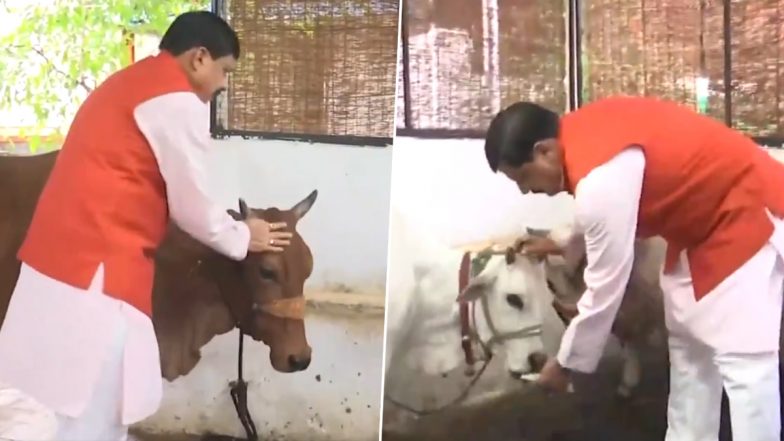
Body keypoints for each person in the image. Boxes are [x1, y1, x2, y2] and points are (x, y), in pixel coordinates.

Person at [0, 11, 292, 441]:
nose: (224, 84)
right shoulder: (177, 101)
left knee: (32, 396)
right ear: (199, 58)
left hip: (55, 266)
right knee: (77, 407)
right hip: (95, 277)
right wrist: (245, 235)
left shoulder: (125, 83)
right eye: (225, 71)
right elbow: (191, 206)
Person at [483, 96, 784, 441]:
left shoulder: (600, 174)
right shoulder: (585, 139)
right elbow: (595, 221)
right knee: (689, 355)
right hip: (698, 231)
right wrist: (556, 244)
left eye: (522, 177)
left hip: (744, 210)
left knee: (743, 364)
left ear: (545, 152)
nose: (525, 190)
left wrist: (565, 364)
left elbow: (604, 287)